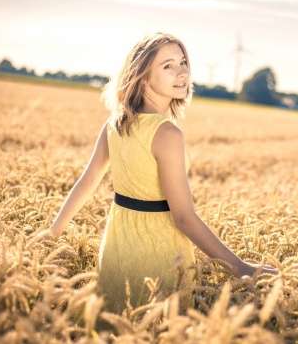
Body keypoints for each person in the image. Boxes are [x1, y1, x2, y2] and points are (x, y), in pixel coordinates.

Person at [30, 32, 278, 314]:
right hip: (160, 255)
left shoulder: (116, 123)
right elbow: (183, 217)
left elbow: (87, 182)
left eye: (183, 62)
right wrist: (240, 267)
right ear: (143, 76)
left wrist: (52, 233)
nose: (182, 72)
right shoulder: (167, 134)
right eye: (168, 66)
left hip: (115, 248)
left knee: (112, 326)